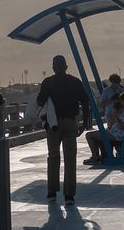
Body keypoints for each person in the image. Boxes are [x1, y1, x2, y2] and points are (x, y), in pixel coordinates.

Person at [36, 54, 90, 205]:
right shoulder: (75, 82)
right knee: (70, 159)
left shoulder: (48, 82)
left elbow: (40, 101)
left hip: (53, 124)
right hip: (70, 122)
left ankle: (52, 192)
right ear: (66, 67)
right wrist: (84, 123)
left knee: (53, 156)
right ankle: (69, 196)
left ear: (53, 68)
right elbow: (85, 102)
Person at [84, 91, 124, 164]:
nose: (121, 104)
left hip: (116, 135)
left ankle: (95, 156)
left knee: (89, 135)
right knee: (97, 134)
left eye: (121, 102)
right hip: (116, 133)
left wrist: (116, 115)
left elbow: (122, 126)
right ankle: (100, 155)